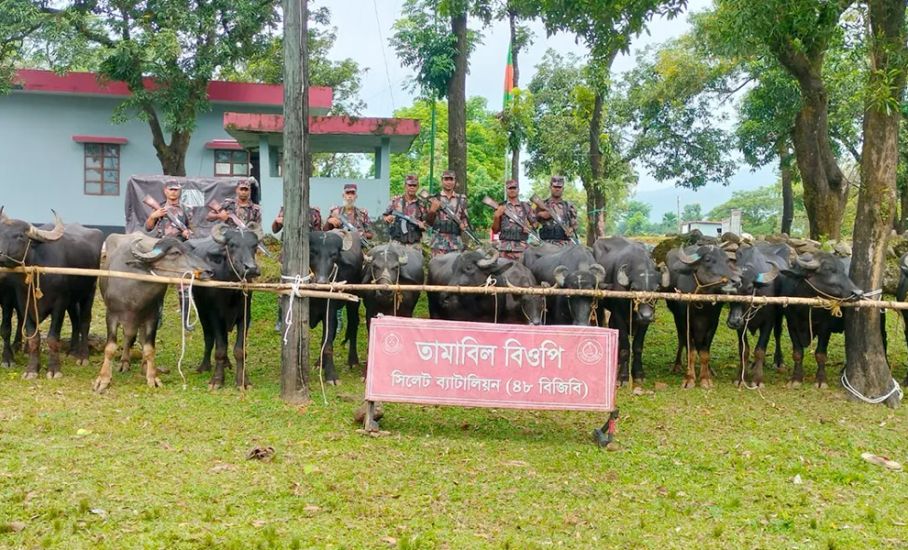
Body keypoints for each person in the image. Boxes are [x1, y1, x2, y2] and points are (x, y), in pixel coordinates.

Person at [144, 179, 192, 330]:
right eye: (171, 189)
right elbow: (148, 228)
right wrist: (154, 216)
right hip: (161, 249)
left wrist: (187, 232)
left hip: (179, 249)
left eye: (176, 189)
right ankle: (157, 319)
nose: (173, 192)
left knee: (184, 285)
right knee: (157, 284)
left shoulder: (186, 209)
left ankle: (185, 322)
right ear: (165, 191)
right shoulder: (160, 208)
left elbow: (193, 230)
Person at [426, 169, 470, 257]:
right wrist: (432, 211)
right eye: (446, 179)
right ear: (442, 181)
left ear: (455, 181)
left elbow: (464, 218)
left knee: (455, 270)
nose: (449, 182)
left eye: (451, 179)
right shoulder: (434, 198)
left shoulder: (461, 199)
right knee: (437, 270)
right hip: (438, 244)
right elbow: (428, 223)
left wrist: (464, 225)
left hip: (456, 244)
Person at [491, 179, 536, 260]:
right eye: (510, 188)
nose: (512, 190)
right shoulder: (500, 206)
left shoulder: (525, 206)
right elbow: (495, 230)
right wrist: (496, 217)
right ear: (506, 190)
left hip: (522, 249)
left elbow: (535, 224)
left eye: (514, 188)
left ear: (518, 189)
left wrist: (529, 227)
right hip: (504, 249)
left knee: (523, 272)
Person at [383, 174, 427, 246]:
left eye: (414, 185)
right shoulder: (395, 201)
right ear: (405, 186)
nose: (412, 187)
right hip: (397, 243)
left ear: (418, 187)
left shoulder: (421, 204)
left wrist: (423, 225)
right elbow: (385, 216)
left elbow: (427, 223)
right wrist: (387, 218)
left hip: (414, 244)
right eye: (410, 185)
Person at [536, 175, 578, 245]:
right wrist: (539, 214)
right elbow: (532, 225)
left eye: (559, 187)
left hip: (564, 244)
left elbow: (575, 225)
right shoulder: (541, 205)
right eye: (555, 187)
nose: (557, 189)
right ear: (550, 187)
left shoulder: (568, 206)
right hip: (546, 244)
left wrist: (570, 230)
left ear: (563, 189)